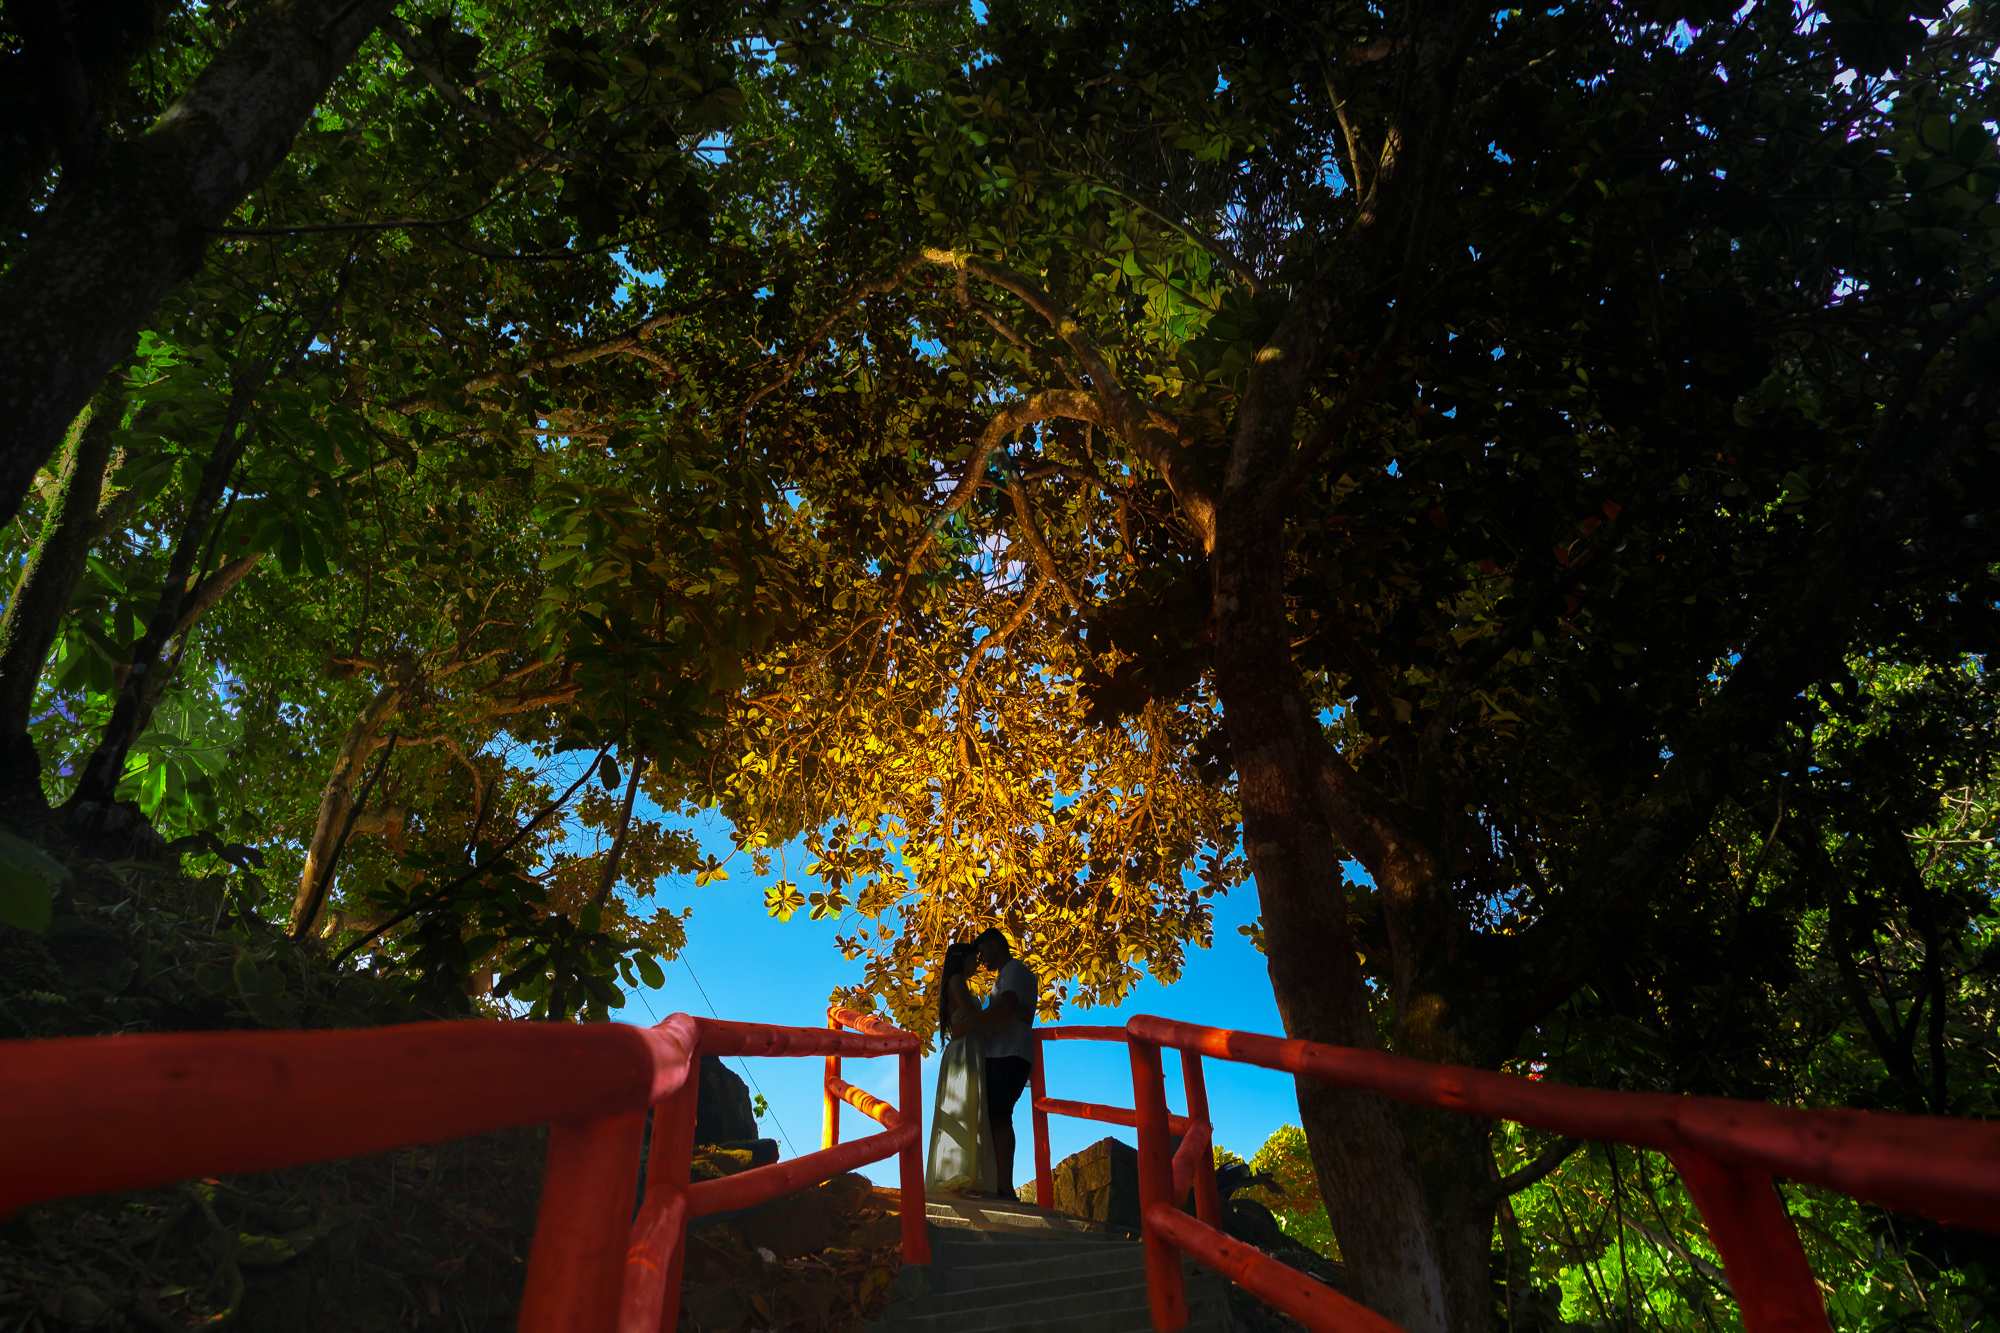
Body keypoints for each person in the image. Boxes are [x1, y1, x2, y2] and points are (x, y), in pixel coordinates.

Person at [957, 927, 1036, 1201]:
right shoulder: (1004, 976)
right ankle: (998, 1184)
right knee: (994, 1117)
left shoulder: (1014, 970)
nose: (980, 961)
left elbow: (1006, 1006)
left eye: (981, 953)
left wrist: (969, 1023)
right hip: (1002, 1053)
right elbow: (1009, 1009)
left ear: (994, 945)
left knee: (1000, 1116)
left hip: (1009, 1054)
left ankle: (1004, 1187)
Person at [924, 941, 997, 1193]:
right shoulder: (955, 981)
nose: (977, 962)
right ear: (961, 959)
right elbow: (971, 1015)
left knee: (971, 1107)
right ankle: (959, 1174)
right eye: (973, 958)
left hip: (970, 1047)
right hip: (964, 1049)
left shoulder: (958, 983)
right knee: (962, 1107)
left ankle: (969, 1175)